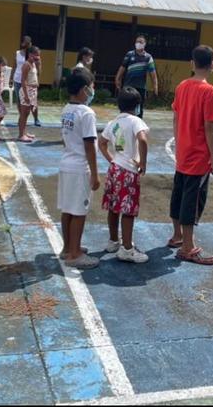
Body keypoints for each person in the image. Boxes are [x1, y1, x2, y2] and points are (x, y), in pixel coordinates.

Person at [168, 45, 213, 266]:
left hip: (183, 150)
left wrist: (180, 143)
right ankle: (188, 247)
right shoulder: (209, 92)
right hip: (199, 155)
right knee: (193, 198)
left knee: (179, 192)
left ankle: (177, 235)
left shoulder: (182, 86)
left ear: (192, 63)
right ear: (212, 65)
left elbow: (176, 117)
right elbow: (209, 127)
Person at [98, 87, 150, 264]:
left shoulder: (113, 123)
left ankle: (113, 241)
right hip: (129, 170)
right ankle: (127, 249)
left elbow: (102, 142)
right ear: (136, 106)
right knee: (128, 210)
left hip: (115, 168)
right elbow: (142, 139)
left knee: (114, 207)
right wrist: (142, 162)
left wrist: (111, 159)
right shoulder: (136, 121)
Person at [58, 67, 100, 270]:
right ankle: (74, 254)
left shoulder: (66, 109)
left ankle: (68, 247)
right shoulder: (86, 113)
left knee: (67, 209)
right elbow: (90, 145)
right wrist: (95, 173)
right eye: (91, 87)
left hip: (66, 164)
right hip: (79, 167)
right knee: (79, 212)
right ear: (84, 89)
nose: (93, 91)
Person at [115, 34, 158, 119]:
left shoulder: (148, 57)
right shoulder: (130, 54)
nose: (138, 43)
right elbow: (122, 67)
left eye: (141, 42)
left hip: (140, 88)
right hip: (128, 87)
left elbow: (153, 74)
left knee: (138, 110)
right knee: (125, 108)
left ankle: (137, 127)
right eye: (137, 42)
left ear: (145, 44)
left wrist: (155, 87)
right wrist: (117, 79)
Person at [10, 36, 41, 126]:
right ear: (22, 43)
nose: (27, 44)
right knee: (20, 101)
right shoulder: (17, 53)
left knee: (33, 101)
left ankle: (36, 118)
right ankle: (22, 118)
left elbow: (38, 68)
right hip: (18, 79)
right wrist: (11, 79)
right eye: (25, 43)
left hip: (30, 81)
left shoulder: (33, 54)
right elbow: (14, 66)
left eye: (29, 43)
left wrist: (38, 79)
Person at [17, 46, 41, 142]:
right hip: (26, 91)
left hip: (32, 91)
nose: (38, 57)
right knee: (24, 113)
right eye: (36, 55)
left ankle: (24, 132)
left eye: (39, 55)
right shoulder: (27, 65)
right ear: (30, 54)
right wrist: (26, 95)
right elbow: (23, 80)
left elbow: (37, 75)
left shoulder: (34, 64)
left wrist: (39, 64)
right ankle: (21, 135)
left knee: (27, 113)